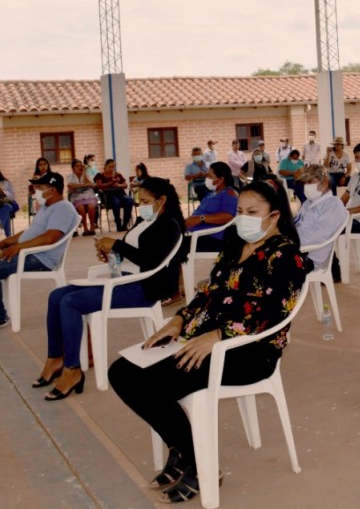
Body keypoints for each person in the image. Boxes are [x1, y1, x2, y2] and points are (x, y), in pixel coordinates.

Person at [108, 181, 310, 502]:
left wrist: (216, 337)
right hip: (204, 338)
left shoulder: (286, 256)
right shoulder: (234, 245)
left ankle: (201, 466)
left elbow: (271, 315)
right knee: (121, 371)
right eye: (240, 211)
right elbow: (208, 292)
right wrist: (179, 320)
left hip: (249, 351)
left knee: (150, 385)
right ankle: (185, 451)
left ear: (273, 216)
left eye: (252, 212)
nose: (243, 218)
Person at [32, 177, 186, 401]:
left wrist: (117, 244)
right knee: (57, 295)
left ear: (161, 200)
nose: (140, 204)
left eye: (145, 200)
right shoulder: (145, 221)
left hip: (143, 288)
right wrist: (112, 254)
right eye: (139, 200)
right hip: (125, 279)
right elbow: (132, 253)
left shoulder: (168, 225)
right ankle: (55, 357)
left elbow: (151, 261)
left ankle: (72, 369)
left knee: (70, 302)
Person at [0, 172, 79, 329]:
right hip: (29, 253)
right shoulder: (47, 207)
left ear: (53, 190)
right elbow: (31, 232)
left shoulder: (63, 208)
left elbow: (50, 237)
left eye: (40, 187)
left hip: (40, 258)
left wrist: (18, 247)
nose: (36, 191)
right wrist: (6, 242)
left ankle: (1, 317)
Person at [294, 164, 348, 270]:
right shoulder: (308, 203)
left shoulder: (333, 205)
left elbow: (318, 237)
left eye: (309, 182)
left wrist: (290, 241)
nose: (305, 186)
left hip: (309, 257)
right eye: (304, 183)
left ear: (324, 182)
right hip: (299, 250)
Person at [184, 162, 238, 253]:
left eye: (209, 176)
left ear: (220, 179)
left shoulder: (229, 194)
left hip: (211, 237)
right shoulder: (212, 194)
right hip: (194, 234)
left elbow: (228, 216)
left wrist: (201, 218)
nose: (206, 178)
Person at [94, 159, 134, 232]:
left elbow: (125, 185)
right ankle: (118, 223)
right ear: (105, 166)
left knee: (129, 200)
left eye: (113, 167)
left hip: (120, 194)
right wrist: (111, 182)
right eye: (110, 167)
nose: (111, 169)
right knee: (116, 202)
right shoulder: (99, 175)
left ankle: (125, 223)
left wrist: (118, 184)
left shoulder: (117, 174)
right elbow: (99, 186)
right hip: (108, 196)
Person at [66, 159, 99, 236]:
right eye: (77, 166)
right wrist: (85, 185)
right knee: (81, 208)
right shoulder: (70, 176)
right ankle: (85, 228)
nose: (79, 167)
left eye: (81, 165)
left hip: (89, 195)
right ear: (73, 168)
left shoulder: (87, 173)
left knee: (91, 206)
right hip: (77, 197)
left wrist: (84, 173)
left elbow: (92, 184)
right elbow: (71, 186)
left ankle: (92, 227)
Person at [0, 169, 20, 237]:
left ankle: (1, 226)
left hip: (7, 204)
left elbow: (12, 197)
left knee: (6, 207)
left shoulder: (6, 182)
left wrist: (4, 192)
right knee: (5, 214)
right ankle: (8, 236)